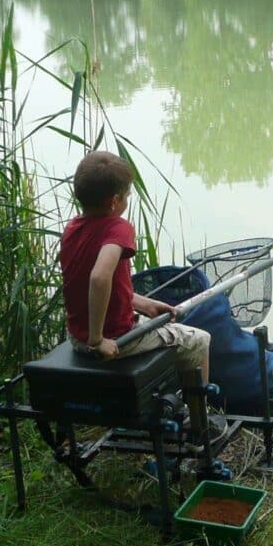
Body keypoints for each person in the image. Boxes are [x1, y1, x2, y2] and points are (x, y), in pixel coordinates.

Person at [60, 151, 212, 434]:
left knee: (161, 325)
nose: (127, 201)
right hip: (114, 339)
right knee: (199, 340)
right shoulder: (118, 228)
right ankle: (199, 423)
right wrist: (97, 340)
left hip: (76, 336)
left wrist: (143, 304)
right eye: (127, 196)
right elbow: (99, 277)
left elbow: (98, 283)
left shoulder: (73, 228)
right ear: (115, 201)